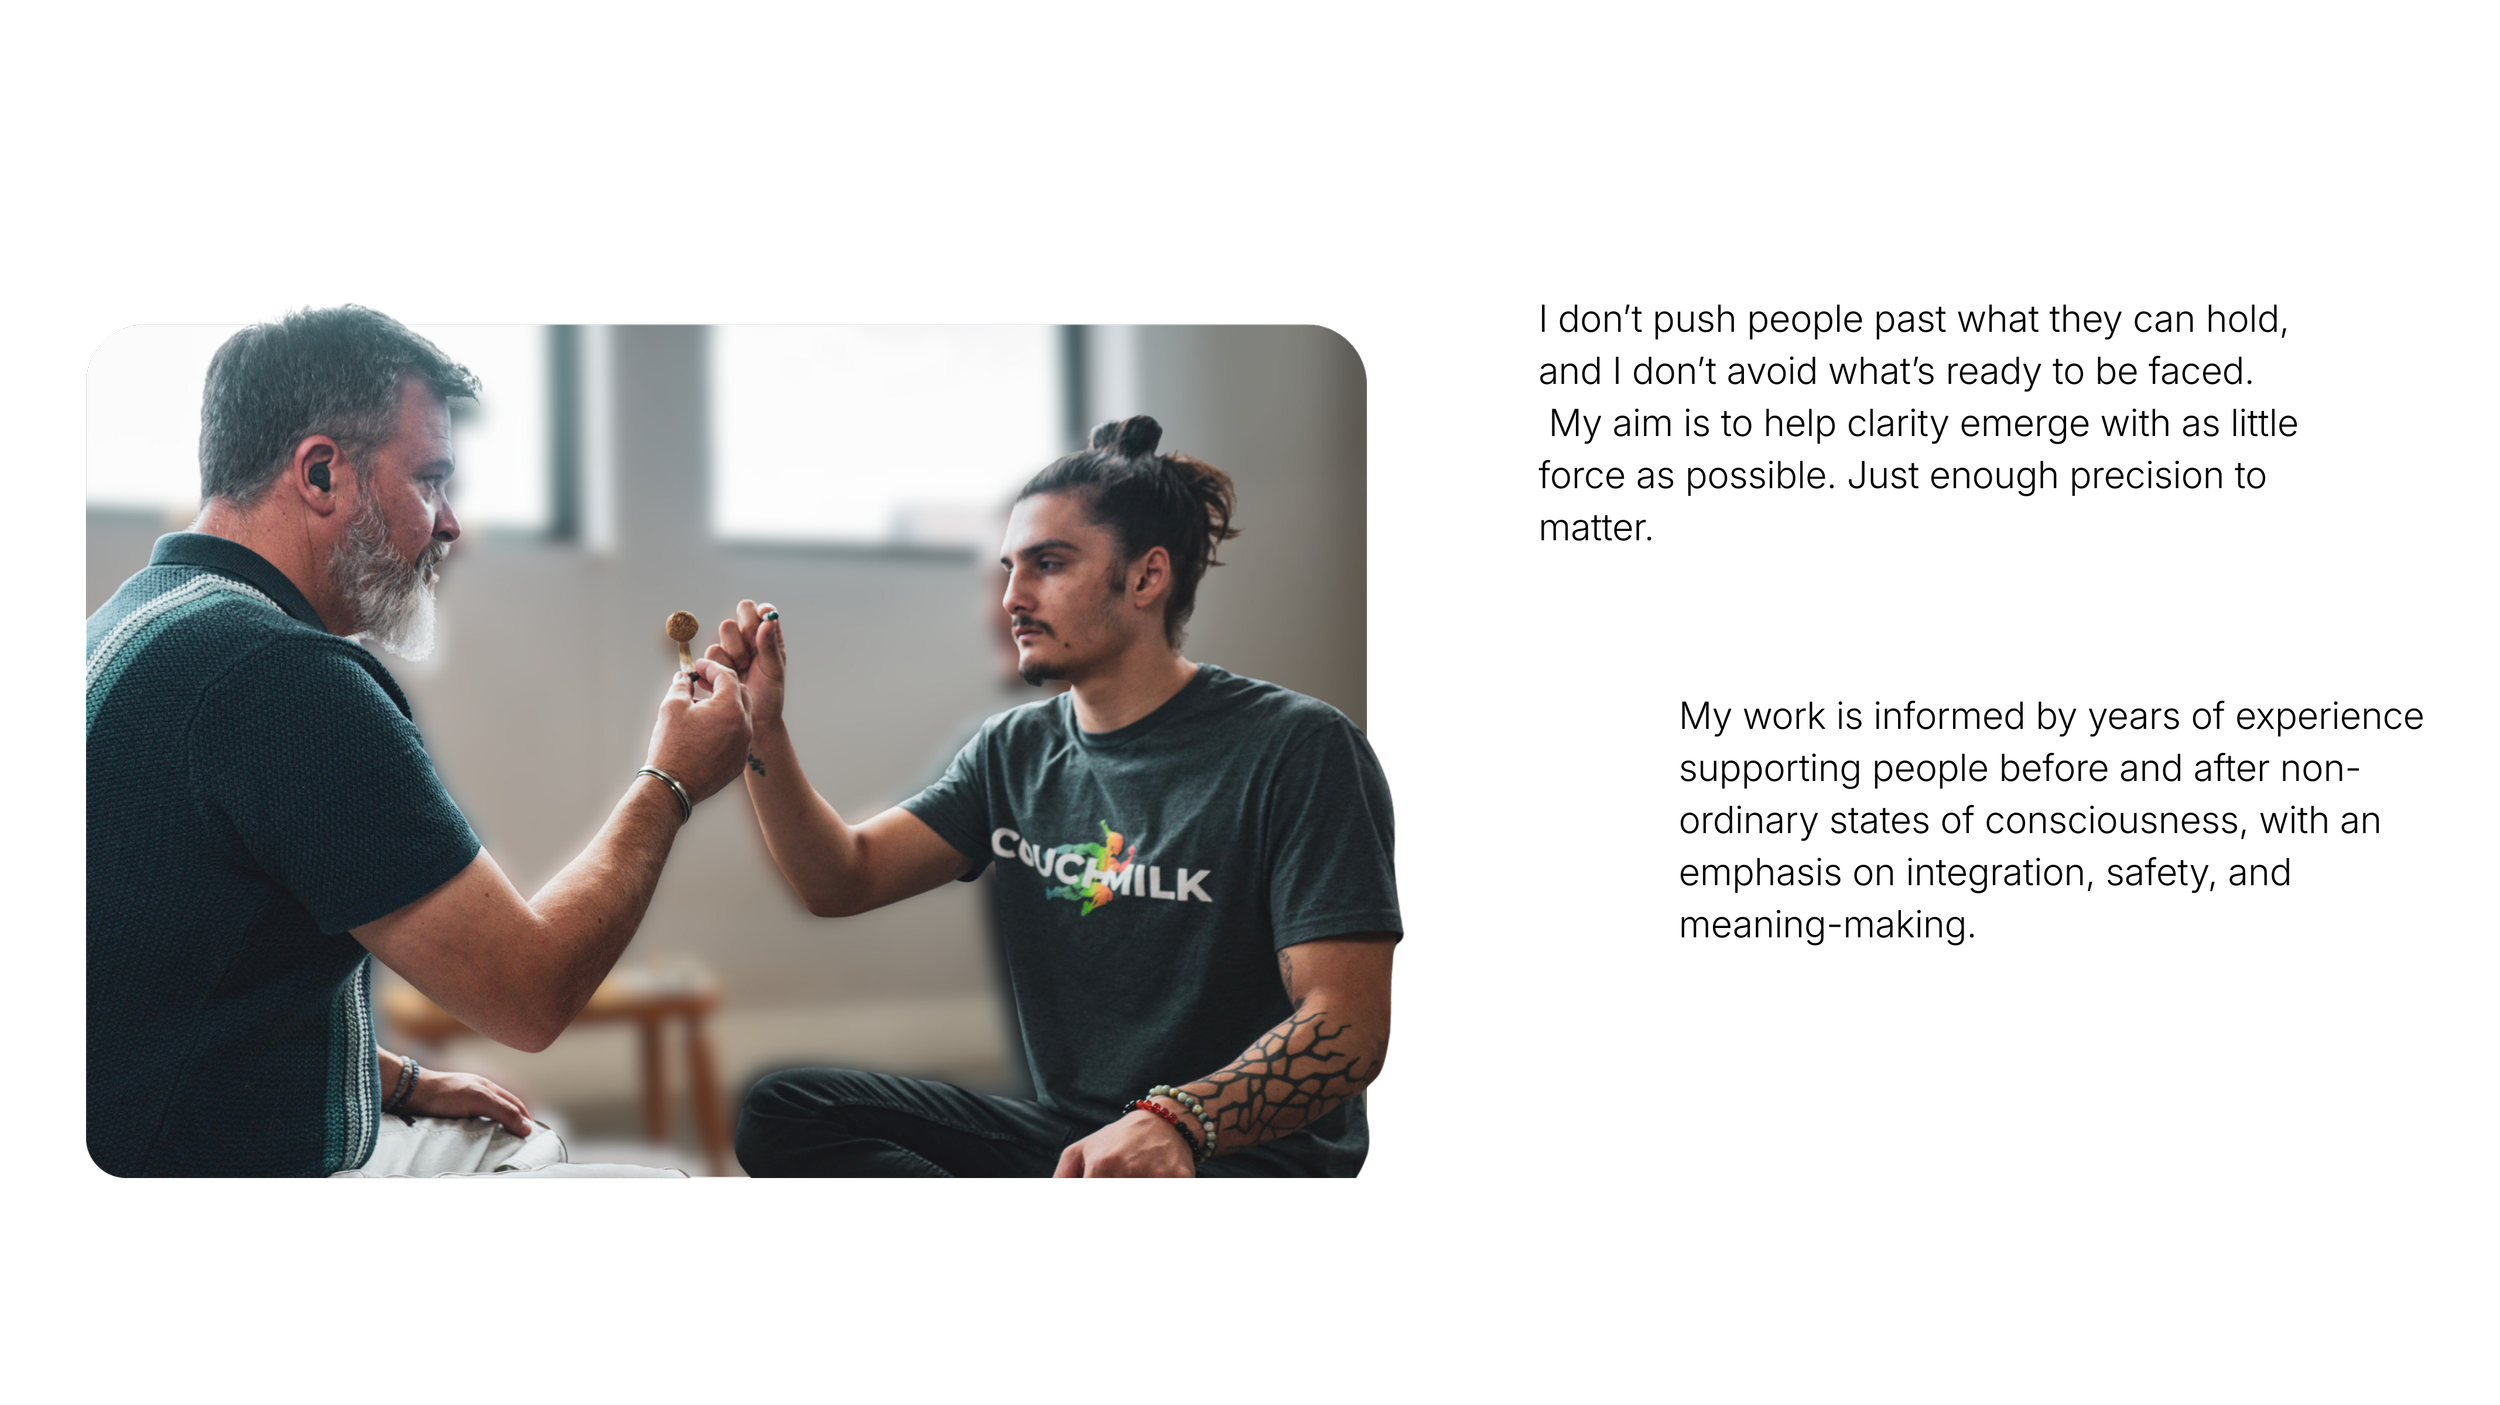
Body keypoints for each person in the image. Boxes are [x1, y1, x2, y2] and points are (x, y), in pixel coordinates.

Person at [85, 304, 751, 1177]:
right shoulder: (281, 679)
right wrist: (671, 779)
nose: (450, 523)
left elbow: (162, 988)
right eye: (430, 479)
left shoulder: (129, 625)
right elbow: (530, 992)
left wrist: (389, 1079)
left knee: (514, 1138)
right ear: (320, 473)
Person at [720, 416, 1400, 1177]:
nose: (1012, 595)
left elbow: (1348, 1024)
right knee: (783, 1109)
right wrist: (760, 729)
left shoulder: (1300, 748)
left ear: (1147, 577)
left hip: (1238, 1153)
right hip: (1071, 1140)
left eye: (1048, 563)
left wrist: (1178, 1120)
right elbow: (840, 878)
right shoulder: (1013, 750)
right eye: (1009, 567)